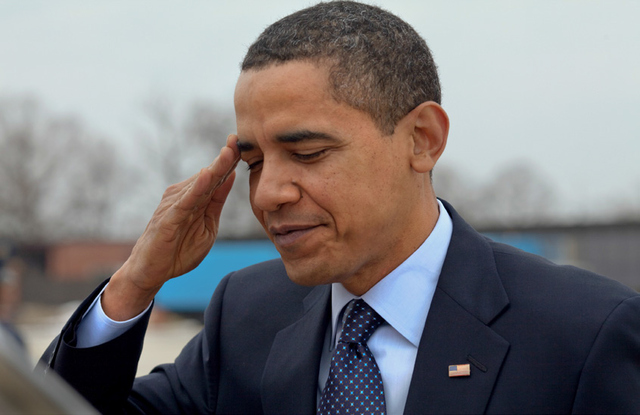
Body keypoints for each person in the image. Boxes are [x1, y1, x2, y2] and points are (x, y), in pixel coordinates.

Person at [41, 1, 640, 414]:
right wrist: (134, 285)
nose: (269, 192)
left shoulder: (585, 334)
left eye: (306, 152)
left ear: (422, 139)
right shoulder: (248, 315)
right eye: (252, 162)